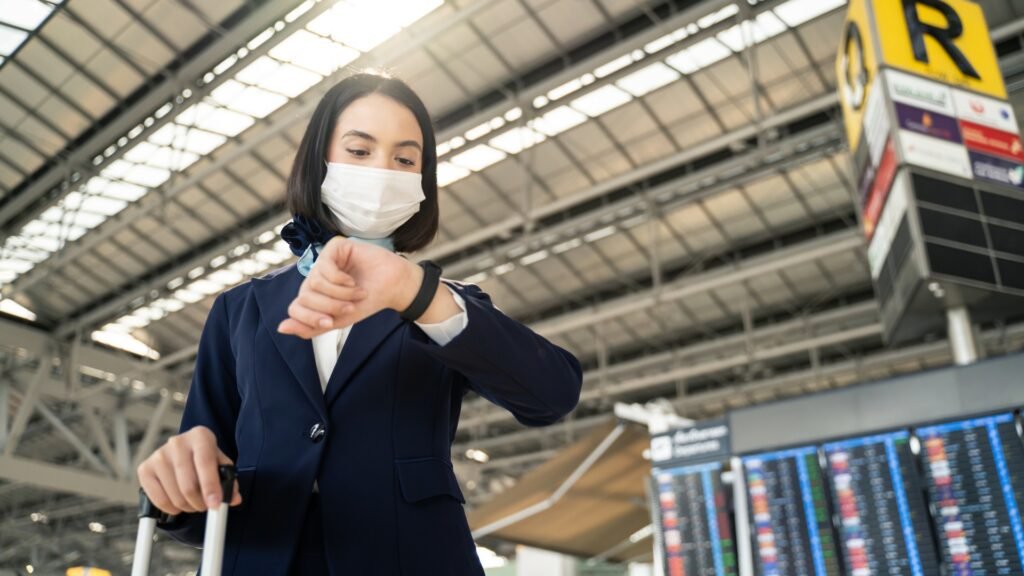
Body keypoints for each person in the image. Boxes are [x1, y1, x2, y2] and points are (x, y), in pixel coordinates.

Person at [136, 71, 583, 575]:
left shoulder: (443, 304)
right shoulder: (240, 309)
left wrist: (414, 292)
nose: (382, 171)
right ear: (318, 162)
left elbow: (552, 394)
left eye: (405, 160)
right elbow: (203, 495)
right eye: (359, 150)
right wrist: (176, 486)